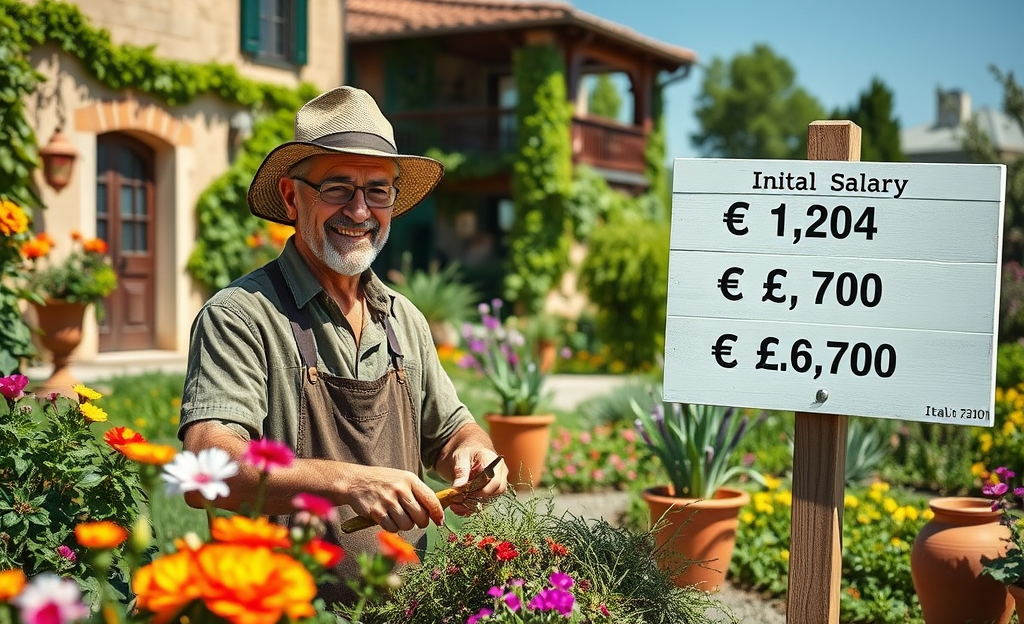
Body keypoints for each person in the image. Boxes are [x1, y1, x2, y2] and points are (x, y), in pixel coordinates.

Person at [177, 86, 508, 606]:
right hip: (283, 612)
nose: (360, 210)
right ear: (291, 196)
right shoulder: (240, 315)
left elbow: (451, 431)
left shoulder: (404, 318)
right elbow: (206, 470)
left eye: (378, 191)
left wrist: (474, 454)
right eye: (338, 187)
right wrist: (348, 482)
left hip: (406, 607)